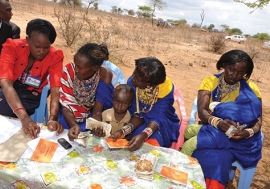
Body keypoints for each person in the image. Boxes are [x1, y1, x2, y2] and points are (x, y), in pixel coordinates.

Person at [181, 50, 263, 189]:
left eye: (240, 73)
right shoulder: (210, 81)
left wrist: (248, 132)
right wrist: (218, 122)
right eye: (231, 69)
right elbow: (202, 111)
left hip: (237, 140)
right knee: (209, 156)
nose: (234, 75)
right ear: (224, 65)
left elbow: (258, 120)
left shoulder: (252, 89)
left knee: (216, 158)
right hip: (210, 130)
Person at [0, 18, 64, 138]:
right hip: (10, 87)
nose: (41, 51)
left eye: (46, 47)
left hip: (32, 92)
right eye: (37, 46)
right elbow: (6, 84)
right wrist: (24, 119)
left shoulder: (55, 56)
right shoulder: (12, 47)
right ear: (28, 39)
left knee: (10, 112)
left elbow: (56, 90)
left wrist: (52, 118)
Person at [110, 57, 180, 151]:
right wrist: (123, 131)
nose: (132, 79)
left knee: (152, 141)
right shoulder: (133, 82)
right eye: (134, 74)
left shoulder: (165, 90)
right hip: (139, 120)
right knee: (132, 138)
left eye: (137, 79)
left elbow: (158, 118)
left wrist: (143, 136)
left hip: (161, 123)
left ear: (150, 85)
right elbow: (137, 113)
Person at [59, 43, 114, 141]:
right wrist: (74, 125)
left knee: (91, 135)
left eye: (80, 67)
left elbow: (97, 111)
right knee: (64, 129)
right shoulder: (69, 70)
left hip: (91, 115)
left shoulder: (104, 75)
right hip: (69, 112)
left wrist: (97, 126)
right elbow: (66, 104)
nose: (75, 69)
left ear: (95, 68)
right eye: (75, 65)